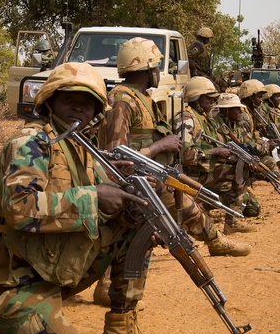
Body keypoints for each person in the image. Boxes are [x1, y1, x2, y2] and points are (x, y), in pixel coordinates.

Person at [0, 62, 175, 334]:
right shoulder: (31, 143)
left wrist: (133, 203)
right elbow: (19, 208)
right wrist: (93, 197)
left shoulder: (78, 145)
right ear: (49, 101)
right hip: (5, 279)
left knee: (135, 230)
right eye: (69, 99)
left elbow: (100, 199)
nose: (78, 107)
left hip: (43, 266)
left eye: (87, 102)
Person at [100, 37, 248, 255]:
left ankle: (215, 240)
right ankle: (215, 241)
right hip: (138, 181)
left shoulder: (144, 98)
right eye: (157, 66)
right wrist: (160, 146)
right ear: (147, 67)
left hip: (153, 175)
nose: (160, 71)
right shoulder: (122, 101)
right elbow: (116, 156)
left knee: (130, 240)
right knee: (186, 212)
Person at [175, 77, 261, 228]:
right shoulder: (187, 118)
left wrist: (239, 158)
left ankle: (231, 221)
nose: (212, 101)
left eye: (213, 98)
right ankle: (225, 219)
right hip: (188, 174)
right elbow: (185, 155)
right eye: (208, 98)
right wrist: (214, 152)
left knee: (240, 169)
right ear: (196, 98)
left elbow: (220, 146)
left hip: (203, 171)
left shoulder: (206, 119)